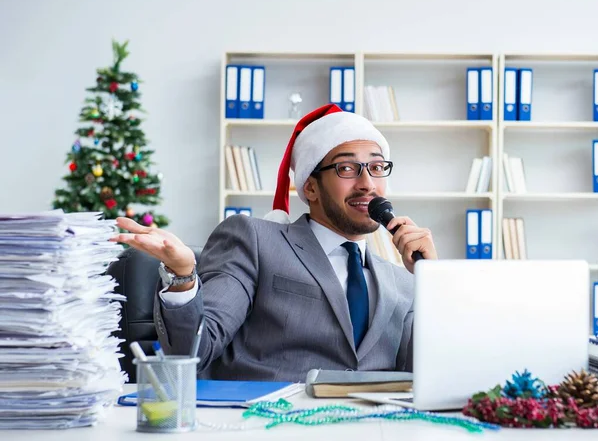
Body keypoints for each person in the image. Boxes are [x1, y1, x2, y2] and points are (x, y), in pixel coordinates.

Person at [111, 103, 437, 382]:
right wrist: (182, 275)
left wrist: (434, 283)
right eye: (347, 168)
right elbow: (194, 349)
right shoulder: (256, 240)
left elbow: (428, 376)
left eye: (377, 167)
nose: (367, 183)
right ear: (309, 188)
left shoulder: (404, 282)